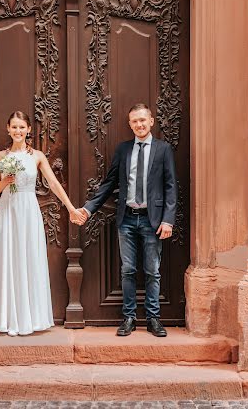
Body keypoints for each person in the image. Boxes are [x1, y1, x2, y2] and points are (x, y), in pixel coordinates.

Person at [0, 110, 86, 336]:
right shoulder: (2, 156)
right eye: (14, 127)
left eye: (22, 127)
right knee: (9, 258)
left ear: (29, 129)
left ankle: (30, 318)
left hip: (29, 210)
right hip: (8, 210)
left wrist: (70, 208)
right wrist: (6, 181)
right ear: (8, 129)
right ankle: (8, 318)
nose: (18, 131)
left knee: (28, 258)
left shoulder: (37, 156)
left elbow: (54, 183)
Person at [79, 103, 177, 337]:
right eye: (134, 121)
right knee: (128, 270)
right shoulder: (123, 150)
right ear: (130, 124)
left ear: (151, 121)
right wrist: (89, 208)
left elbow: (171, 186)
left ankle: (153, 319)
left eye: (143, 120)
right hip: (126, 220)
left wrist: (168, 220)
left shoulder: (163, 149)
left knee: (153, 271)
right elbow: (110, 183)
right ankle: (129, 318)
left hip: (152, 221)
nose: (139, 125)